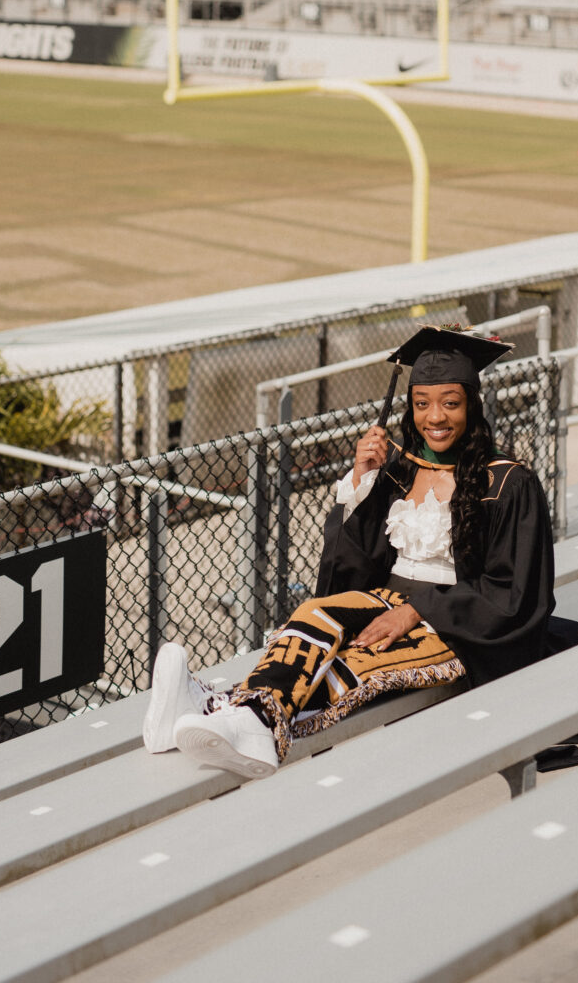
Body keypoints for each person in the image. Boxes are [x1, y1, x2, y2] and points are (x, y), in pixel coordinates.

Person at [143, 324, 556, 779]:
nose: (434, 417)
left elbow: (512, 594)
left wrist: (418, 611)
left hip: (458, 624)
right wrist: (362, 480)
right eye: (422, 404)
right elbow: (351, 564)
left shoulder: (509, 484)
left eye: (450, 403)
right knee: (314, 615)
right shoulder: (399, 470)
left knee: (354, 663)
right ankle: (231, 712)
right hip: (387, 600)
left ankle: (225, 709)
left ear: (472, 408)